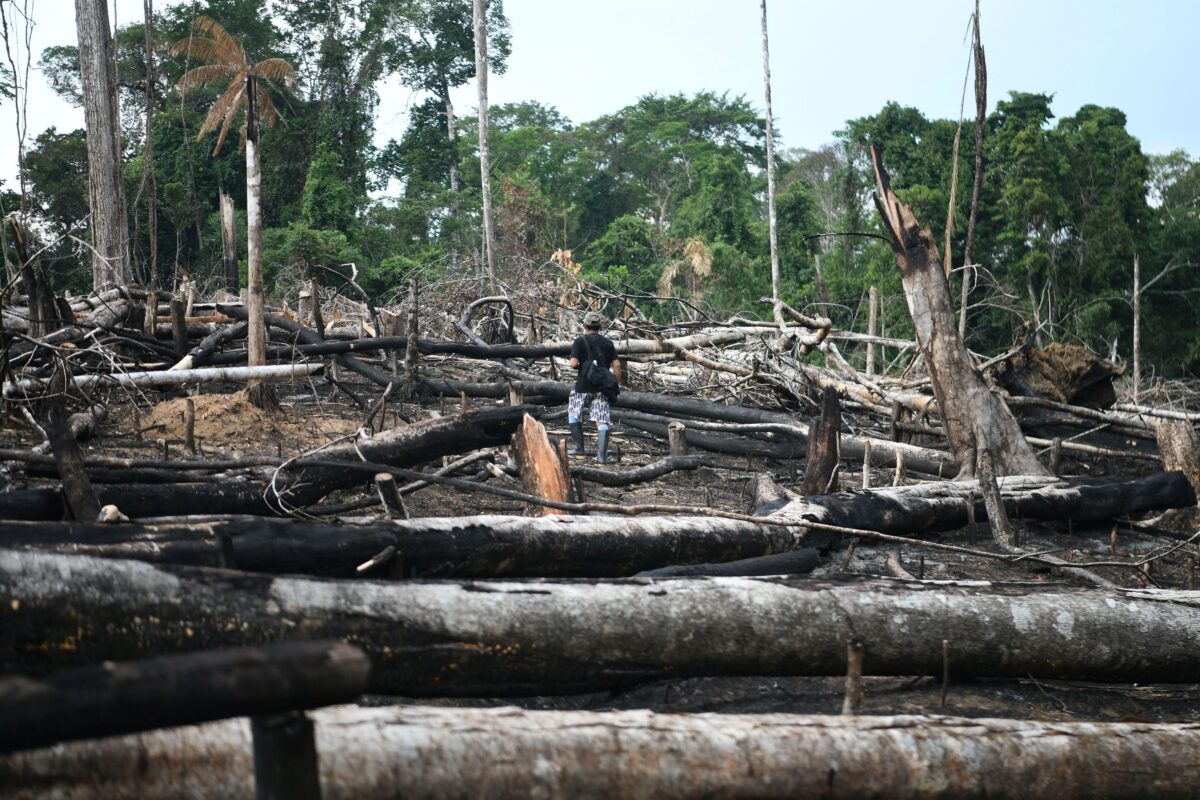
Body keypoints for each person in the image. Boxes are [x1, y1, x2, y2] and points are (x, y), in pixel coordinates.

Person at [567, 310, 622, 464]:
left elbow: (573, 364)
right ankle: (602, 458)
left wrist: (581, 366)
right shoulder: (608, 343)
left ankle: (580, 450)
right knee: (601, 420)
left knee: (574, 414)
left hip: (583, 386)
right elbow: (617, 365)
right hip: (602, 387)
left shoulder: (579, 341)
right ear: (599, 327)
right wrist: (616, 383)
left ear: (584, 325)